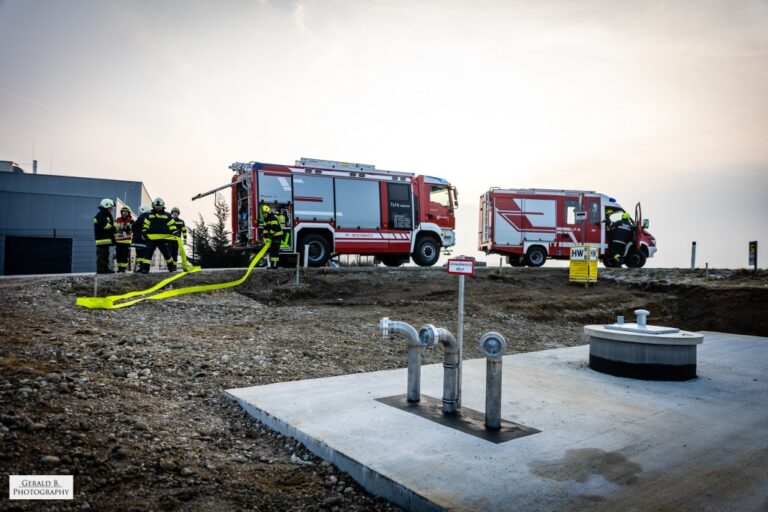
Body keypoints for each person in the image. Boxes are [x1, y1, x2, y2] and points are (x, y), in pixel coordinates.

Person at [140, 198, 178, 273]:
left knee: (166, 253)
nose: (158, 208)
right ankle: (145, 269)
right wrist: (144, 232)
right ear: (153, 206)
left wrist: (175, 232)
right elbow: (146, 225)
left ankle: (171, 267)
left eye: (159, 207)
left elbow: (172, 225)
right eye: (156, 207)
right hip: (151, 238)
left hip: (162, 239)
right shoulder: (149, 215)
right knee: (148, 253)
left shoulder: (167, 215)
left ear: (162, 206)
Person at [93, 198, 116, 274]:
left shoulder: (105, 214)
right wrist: (114, 229)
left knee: (105, 255)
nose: (112, 209)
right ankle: (101, 270)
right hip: (101, 239)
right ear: (106, 206)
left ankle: (105, 269)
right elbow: (105, 225)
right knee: (101, 256)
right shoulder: (101, 214)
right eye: (110, 207)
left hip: (105, 239)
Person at [260, 204, 284, 269]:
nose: (263, 214)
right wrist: (265, 235)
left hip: (277, 236)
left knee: (275, 250)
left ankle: (275, 265)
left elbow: (274, 227)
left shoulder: (273, 218)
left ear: (268, 212)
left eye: (264, 213)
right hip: (272, 236)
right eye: (262, 213)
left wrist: (270, 235)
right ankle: (272, 265)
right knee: (272, 251)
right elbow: (265, 228)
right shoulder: (266, 219)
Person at [131, 205, 151, 272]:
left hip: (139, 240)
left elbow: (133, 227)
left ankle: (142, 267)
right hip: (146, 240)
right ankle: (145, 268)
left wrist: (132, 224)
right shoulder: (150, 218)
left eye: (139, 211)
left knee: (140, 254)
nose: (138, 212)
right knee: (145, 254)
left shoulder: (141, 217)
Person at [115, 206, 134, 272]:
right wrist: (118, 229)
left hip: (126, 242)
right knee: (118, 255)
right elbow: (115, 228)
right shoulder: (117, 219)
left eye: (126, 212)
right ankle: (119, 268)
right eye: (123, 212)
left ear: (128, 213)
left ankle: (123, 269)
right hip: (118, 241)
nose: (125, 213)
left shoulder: (131, 220)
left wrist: (128, 228)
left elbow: (132, 229)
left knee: (124, 256)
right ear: (121, 212)